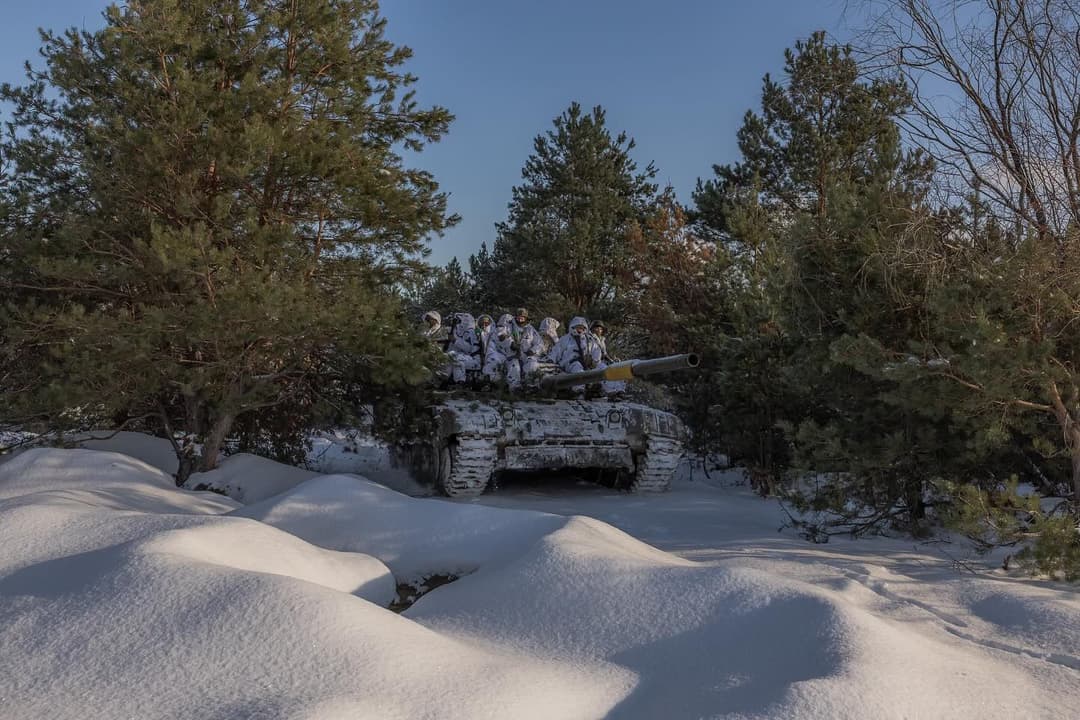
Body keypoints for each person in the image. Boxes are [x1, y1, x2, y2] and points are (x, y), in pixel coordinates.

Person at [508, 307, 544, 389]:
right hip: (512, 355)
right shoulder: (509, 327)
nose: (520, 320)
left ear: (526, 318)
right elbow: (503, 337)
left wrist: (533, 350)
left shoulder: (530, 329)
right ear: (515, 317)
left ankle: (530, 386)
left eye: (522, 318)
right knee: (514, 366)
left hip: (526, 355)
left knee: (532, 364)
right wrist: (510, 344)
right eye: (518, 317)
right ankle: (515, 387)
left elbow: (539, 343)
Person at [446, 312, 481, 383]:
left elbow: (469, 349)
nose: (458, 323)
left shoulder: (471, 332)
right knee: (447, 358)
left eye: (459, 321)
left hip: (473, 359)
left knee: (457, 361)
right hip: (462, 357)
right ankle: (443, 380)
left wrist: (455, 340)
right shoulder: (458, 332)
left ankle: (460, 382)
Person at [476, 314, 504, 382]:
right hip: (481, 358)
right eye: (482, 323)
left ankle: (488, 380)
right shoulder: (477, 334)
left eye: (486, 323)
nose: (484, 325)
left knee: (493, 362)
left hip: (496, 356)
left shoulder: (496, 333)